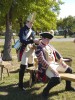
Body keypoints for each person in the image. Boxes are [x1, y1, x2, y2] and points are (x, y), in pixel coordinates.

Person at [35, 30, 75, 98]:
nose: (49, 41)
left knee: (69, 70)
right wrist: (53, 70)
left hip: (54, 64)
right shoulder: (39, 48)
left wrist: (62, 62)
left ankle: (68, 87)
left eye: (49, 39)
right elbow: (42, 61)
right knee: (57, 79)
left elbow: (57, 53)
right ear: (43, 38)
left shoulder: (50, 45)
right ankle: (45, 91)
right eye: (47, 39)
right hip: (46, 67)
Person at [18, 12, 38, 91]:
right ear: (27, 22)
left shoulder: (32, 31)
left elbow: (32, 40)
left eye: (32, 22)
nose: (32, 24)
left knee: (31, 65)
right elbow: (22, 40)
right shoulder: (23, 29)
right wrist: (32, 40)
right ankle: (20, 84)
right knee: (23, 67)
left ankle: (33, 79)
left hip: (31, 50)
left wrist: (35, 43)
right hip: (25, 50)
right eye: (30, 22)